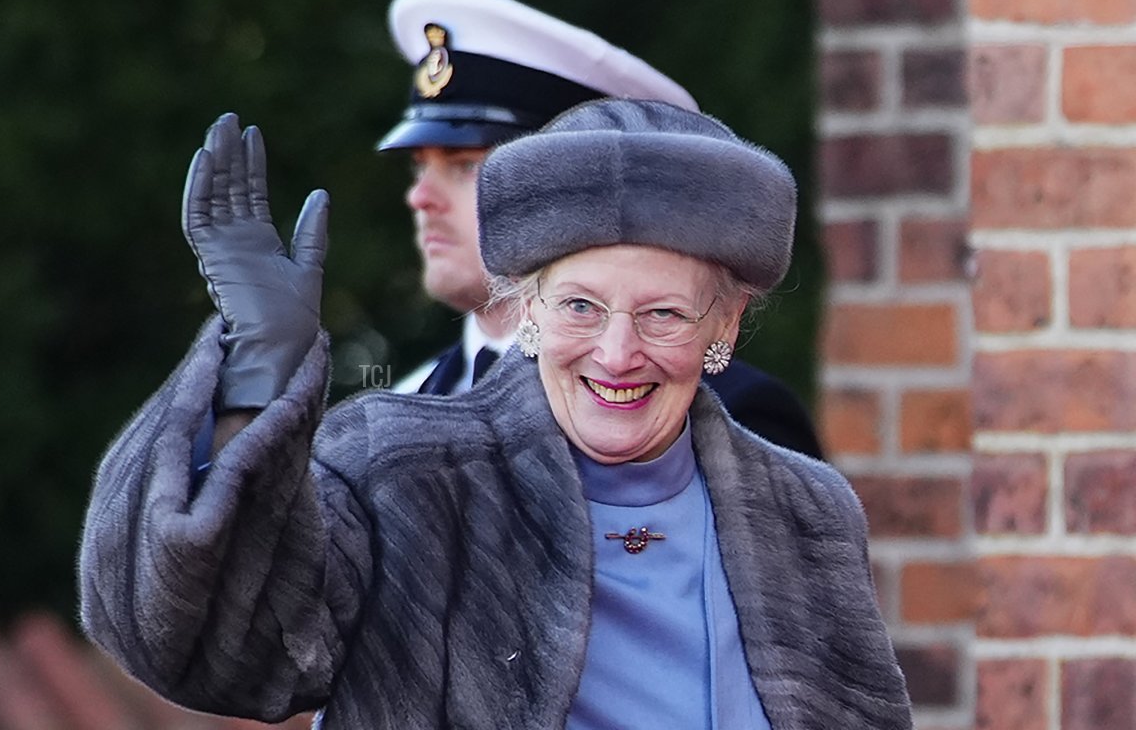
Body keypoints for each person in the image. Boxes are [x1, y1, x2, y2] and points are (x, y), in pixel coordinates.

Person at [78, 99, 912, 728]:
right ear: (528, 308)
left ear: (723, 327)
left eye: (663, 315)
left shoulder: (808, 512)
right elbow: (214, 647)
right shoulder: (400, 473)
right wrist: (257, 370)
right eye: (581, 306)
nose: (618, 355)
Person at [378, 0, 824, 459]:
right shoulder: (404, 404)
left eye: (467, 167)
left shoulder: (727, 417)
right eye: (420, 166)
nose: (421, 197)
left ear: (583, 189)